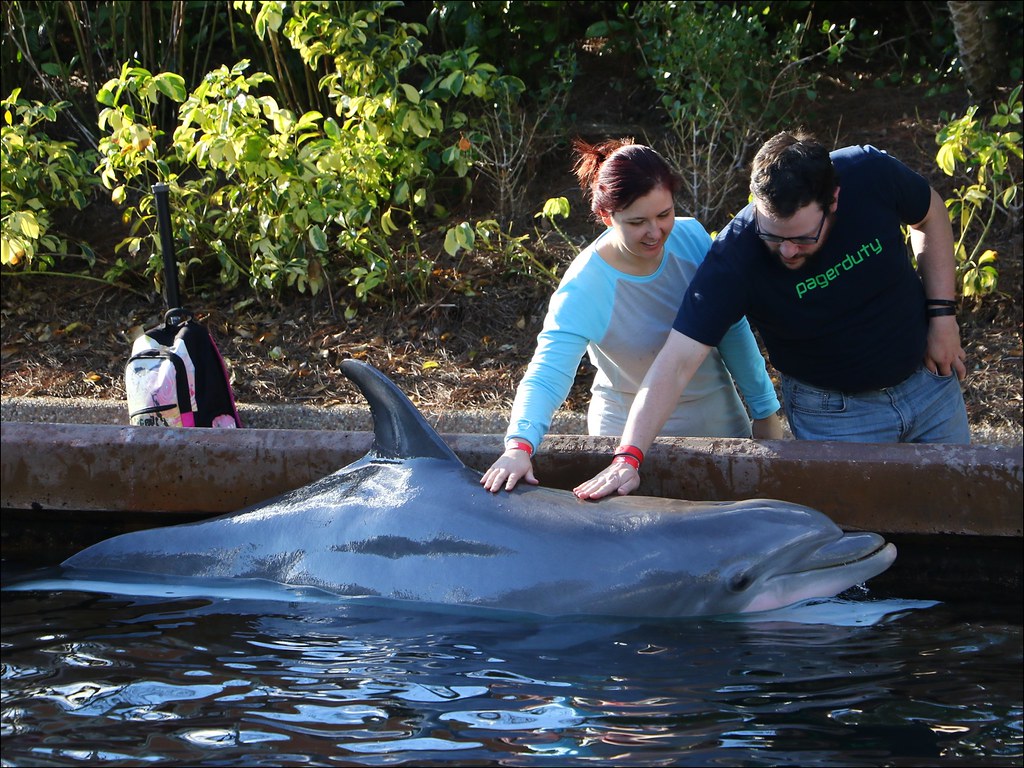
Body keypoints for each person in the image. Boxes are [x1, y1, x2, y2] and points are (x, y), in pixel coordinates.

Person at [574, 131, 971, 501]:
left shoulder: (868, 173)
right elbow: (675, 362)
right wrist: (629, 456)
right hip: (836, 414)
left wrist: (942, 316)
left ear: (833, 199)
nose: (786, 252)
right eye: (773, 236)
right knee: (860, 534)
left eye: (802, 238)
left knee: (957, 505)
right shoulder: (735, 258)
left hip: (928, 381)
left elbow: (929, 213)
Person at [481, 137, 783, 493]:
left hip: (716, 424)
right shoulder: (585, 285)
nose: (655, 232)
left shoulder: (692, 240)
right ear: (606, 217)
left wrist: (765, 411)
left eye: (664, 214)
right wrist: (519, 445)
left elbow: (733, 329)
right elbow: (547, 373)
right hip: (621, 440)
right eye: (637, 221)